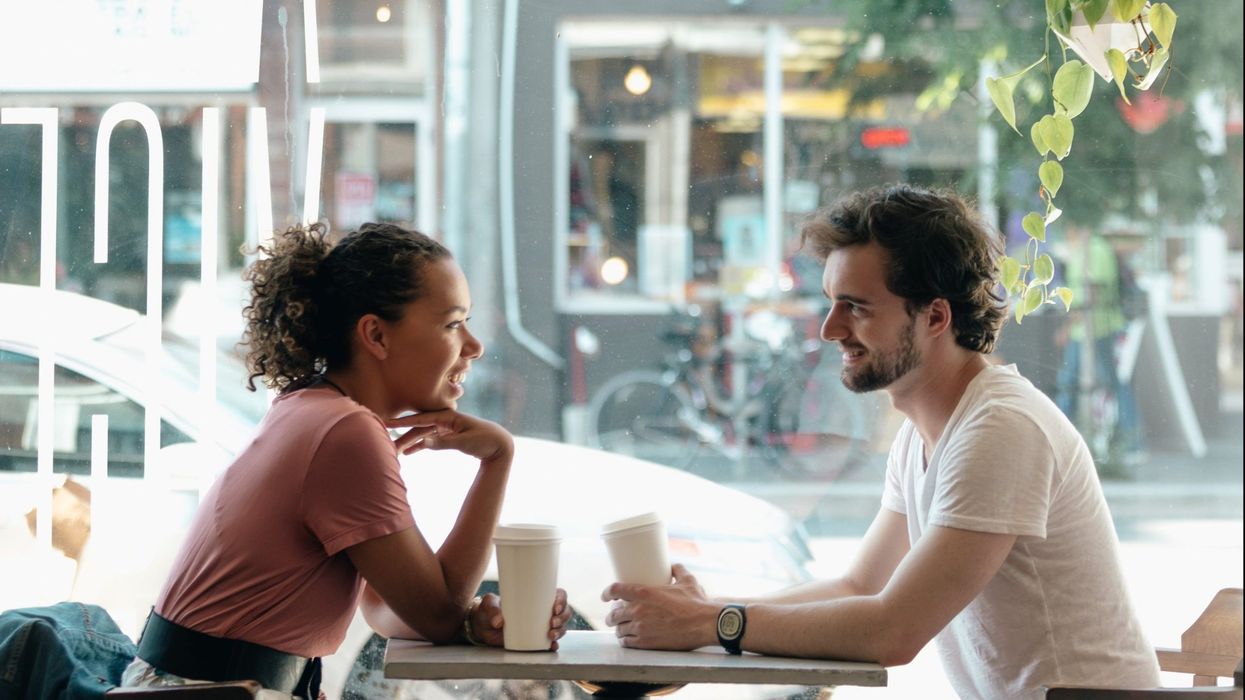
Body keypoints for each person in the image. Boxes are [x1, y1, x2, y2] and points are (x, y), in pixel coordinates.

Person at [601, 186, 1160, 700]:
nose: (829, 329)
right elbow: (858, 585)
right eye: (831, 302)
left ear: (935, 315)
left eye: (857, 307)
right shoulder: (924, 436)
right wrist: (707, 612)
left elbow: (891, 630)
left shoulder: (1001, 429)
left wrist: (708, 623)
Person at [120, 223, 572, 698]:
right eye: (453, 323)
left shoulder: (312, 407)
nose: (474, 347)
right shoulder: (344, 432)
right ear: (376, 335)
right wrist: (498, 459)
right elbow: (436, 614)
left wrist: (468, 624)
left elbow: (383, 607)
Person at [1054, 224, 1145, 466]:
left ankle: (1130, 440)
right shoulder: (1087, 249)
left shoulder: (1093, 250)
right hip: (1084, 329)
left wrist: (1067, 326)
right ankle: (1059, 439)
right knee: (1074, 381)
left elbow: (1090, 294)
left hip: (1097, 328)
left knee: (1098, 383)